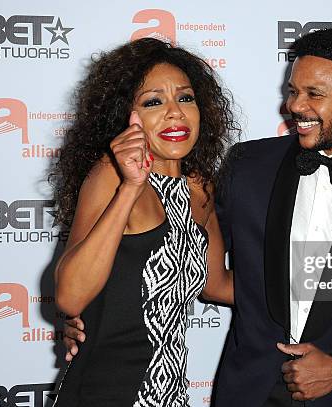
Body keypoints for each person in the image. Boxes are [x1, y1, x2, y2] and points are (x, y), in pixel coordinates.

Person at [63, 29, 332, 407]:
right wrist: (91, 319)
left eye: (314, 93)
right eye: (293, 91)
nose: (295, 106)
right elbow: (169, 255)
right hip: (244, 393)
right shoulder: (247, 167)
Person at [50, 37, 237, 407]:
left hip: (169, 396)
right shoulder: (112, 176)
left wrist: (309, 281)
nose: (175, 113)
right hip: (104, 393)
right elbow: (70, 296)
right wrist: (132, 186)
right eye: (153, 102)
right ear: (126, 116)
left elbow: (217, 284)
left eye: (185, 98)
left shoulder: (200, 189)